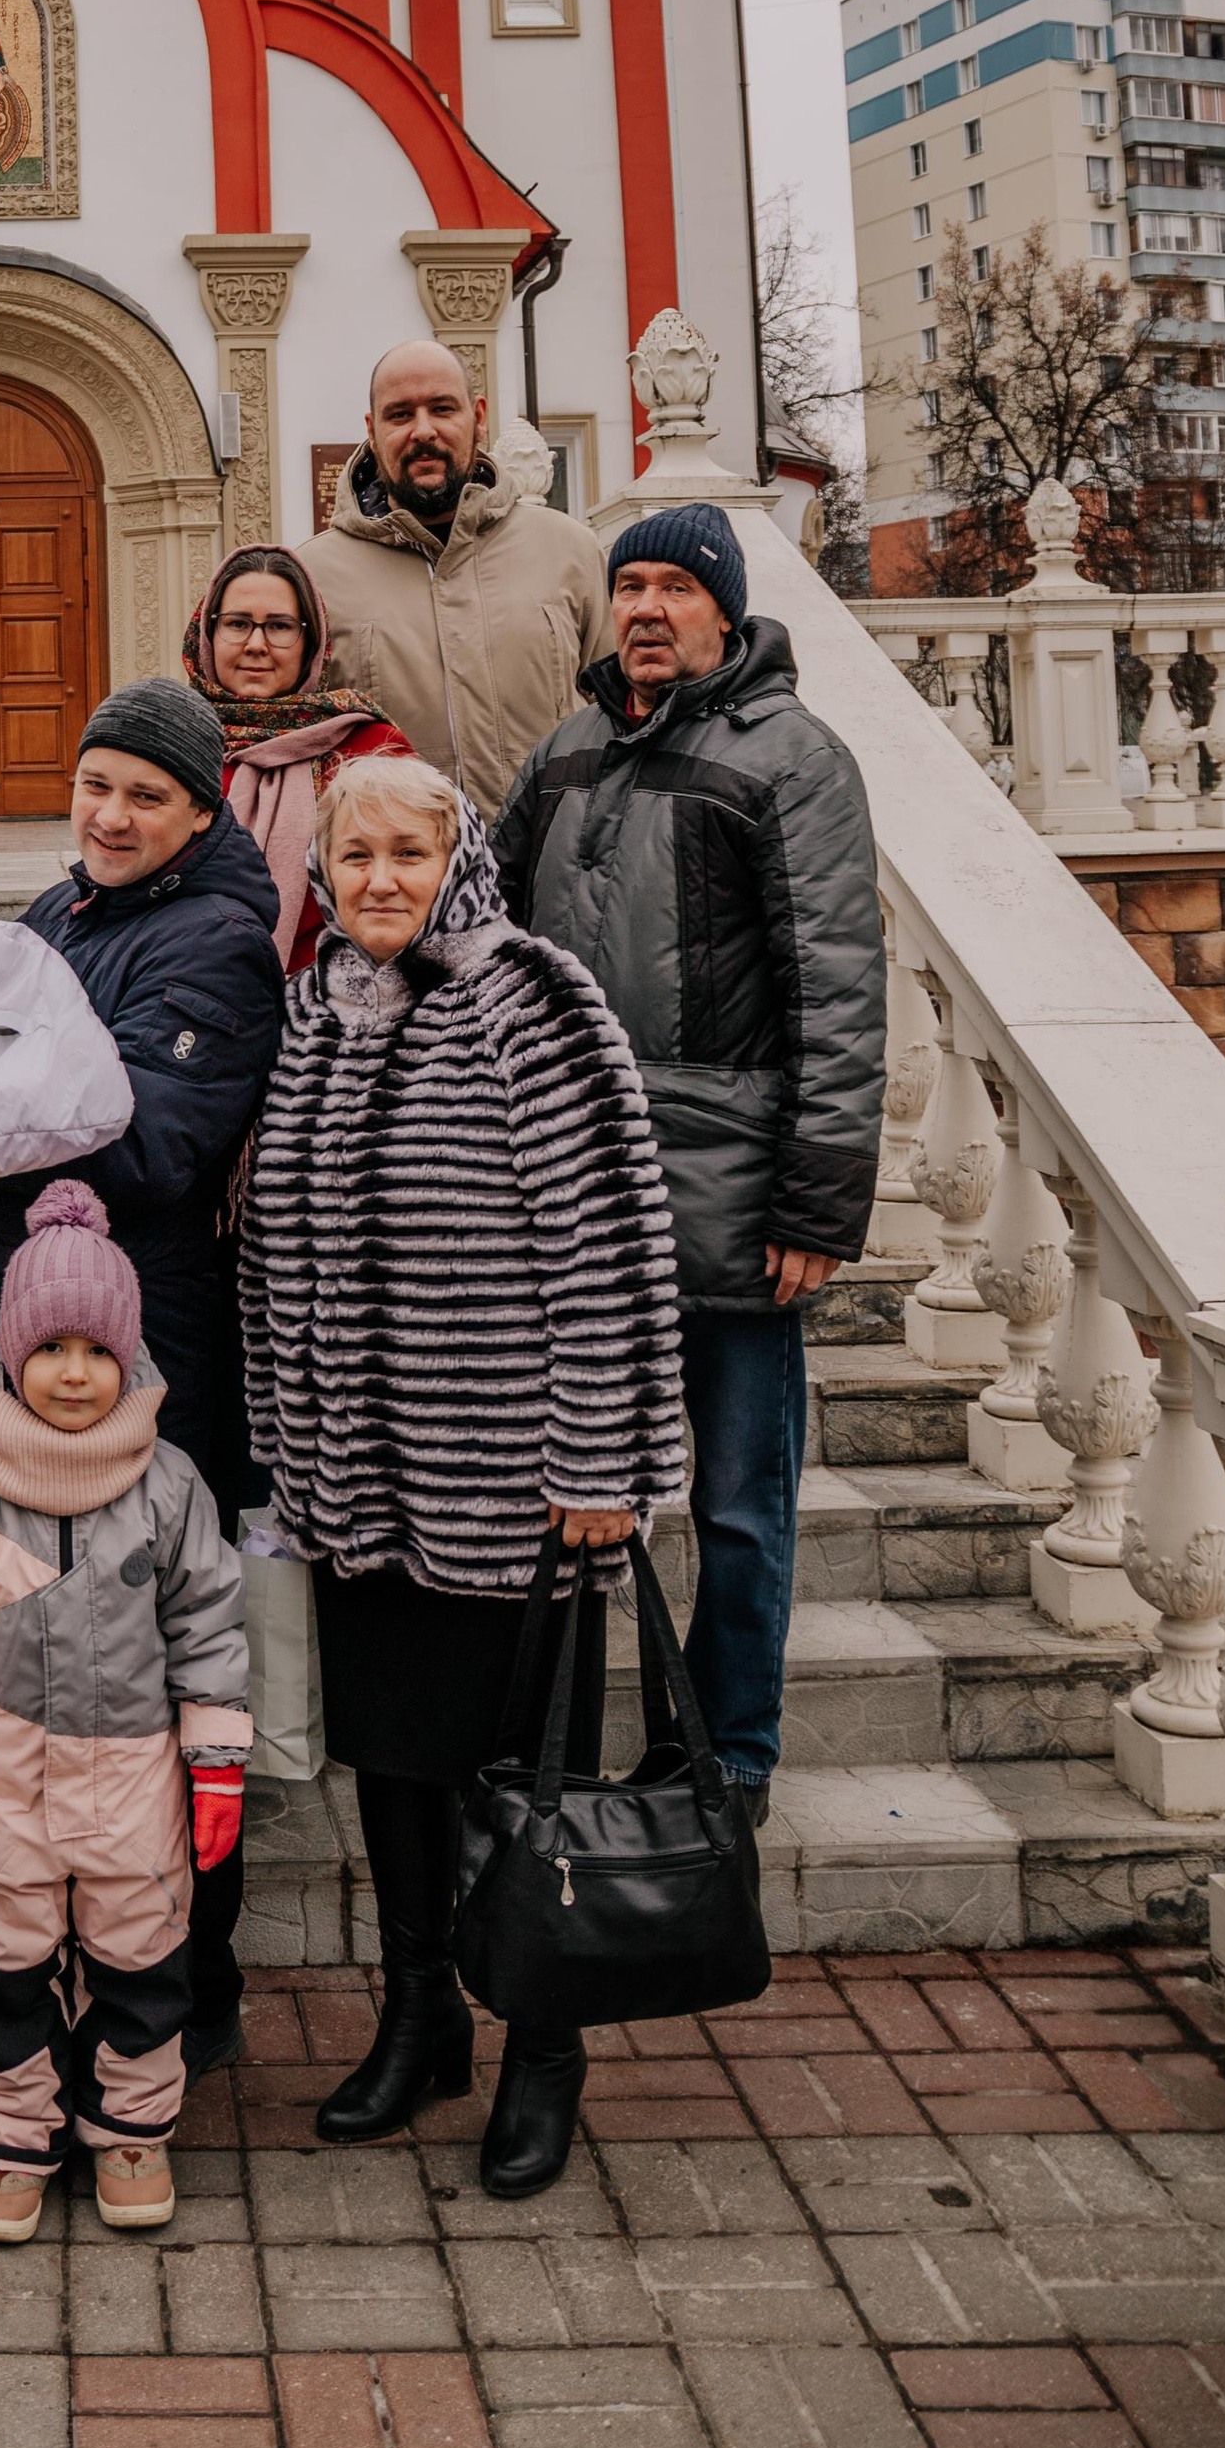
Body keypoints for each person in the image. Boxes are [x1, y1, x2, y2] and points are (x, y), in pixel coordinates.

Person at [240, 752, 687, 2201]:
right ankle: (420, 2013)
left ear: (459, 864)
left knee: (525, 1787)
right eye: (352, 855)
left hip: (514, 1486)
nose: (377, 881)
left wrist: (603, 1456)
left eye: (406, 857)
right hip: (363, 1487)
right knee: (399, 1773)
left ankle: (542, 2051)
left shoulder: (530, 1000)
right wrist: (287, 1443)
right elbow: (281, 1246)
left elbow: (607, 1241)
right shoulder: (319, 1012)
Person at [490, 500, 885, 1822]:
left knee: (735, 1506)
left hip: (728, 1201)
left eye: (673, 585)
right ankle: (555, 1750)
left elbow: (837, 991)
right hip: (573, 1200)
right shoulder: (565, 752)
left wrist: (819, 1199)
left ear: (724, 607)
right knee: (575, 1490)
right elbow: (484, 941)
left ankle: (728, 1758)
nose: (646, 607)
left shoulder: (794, 758)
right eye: (630, 584)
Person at [0, 676, 283, 2077]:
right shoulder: (65, 914)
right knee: (39, 1664)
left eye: (145, 794)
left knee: (148, 1674)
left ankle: (190, 1978)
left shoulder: (219, 943)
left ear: (198, 812)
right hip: (43, 1342)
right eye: (96, 785)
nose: (109, 814)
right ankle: (48, 1957)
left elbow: (143, 1147)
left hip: (150, 1355)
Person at [0, 1188, 251, 2245]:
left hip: (136, 1781)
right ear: (11, 1356)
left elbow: (208, 1625)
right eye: (50, 1349)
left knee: (141, 1960)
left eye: (96, 1349)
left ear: (127, 1360)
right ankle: (8, 2141)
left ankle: (129, 2128)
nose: (73, 1373)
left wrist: (217, 1758)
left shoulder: (170, 1487)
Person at [298, 340, 611, 817]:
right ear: (372, 429)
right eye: (400, 415)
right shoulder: (314, 577)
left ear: (478, 416)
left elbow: (624, 714)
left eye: (442, 409)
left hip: (551, 869)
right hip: (393, 879)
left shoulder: (571, 551)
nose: (423, 431)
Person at [182, 545, 407, 971]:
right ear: (207, 634)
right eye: (237, 624)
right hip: (190, 992)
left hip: (341, 1005)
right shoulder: (172, 740)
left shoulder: (369, 748)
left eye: (280, 626)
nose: (256, 644)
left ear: (312, 642)